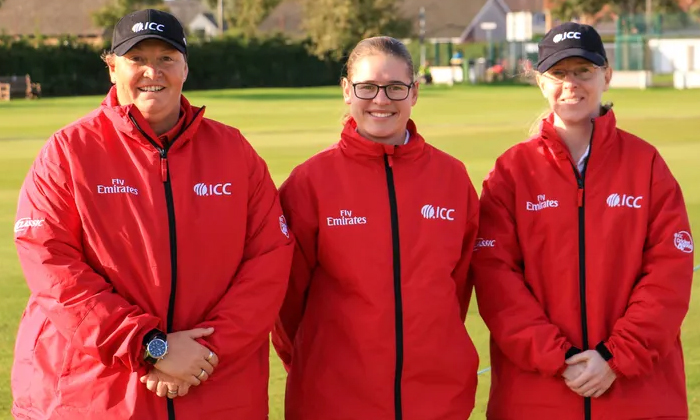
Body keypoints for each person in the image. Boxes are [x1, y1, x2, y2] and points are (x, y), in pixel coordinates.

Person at [12, 9, 293, 420]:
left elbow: (269, 261)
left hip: (215, 389)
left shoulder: (234, 153)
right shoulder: (68, 153)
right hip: (97, 396)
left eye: (166, 58)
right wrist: (150, 346)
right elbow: (52, 267)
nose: (152, 71)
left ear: (185, 67)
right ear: (112, 68)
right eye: (137, 58)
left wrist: (204, 353)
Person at [470, 22, 694, 419]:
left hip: (638, 399)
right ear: (541, 81)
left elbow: (668, 275)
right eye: (558, 73)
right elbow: (496, 281)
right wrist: (560, 357)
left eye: (583, 71)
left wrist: (613, 358)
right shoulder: (511, 172)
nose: (570, 84)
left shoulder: (646, 165)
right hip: (536, 400)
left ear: (606, 75)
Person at [272, 36, 480, 420]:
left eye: (395, 87)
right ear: (347, 91)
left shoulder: (452, 177)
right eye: (367, 87)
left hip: (437, 401)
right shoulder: (310, 182)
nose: (381, 100)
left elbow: (458, 287)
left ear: (414, 93)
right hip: (333, 400)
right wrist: (317, 363)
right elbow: (285, 305)